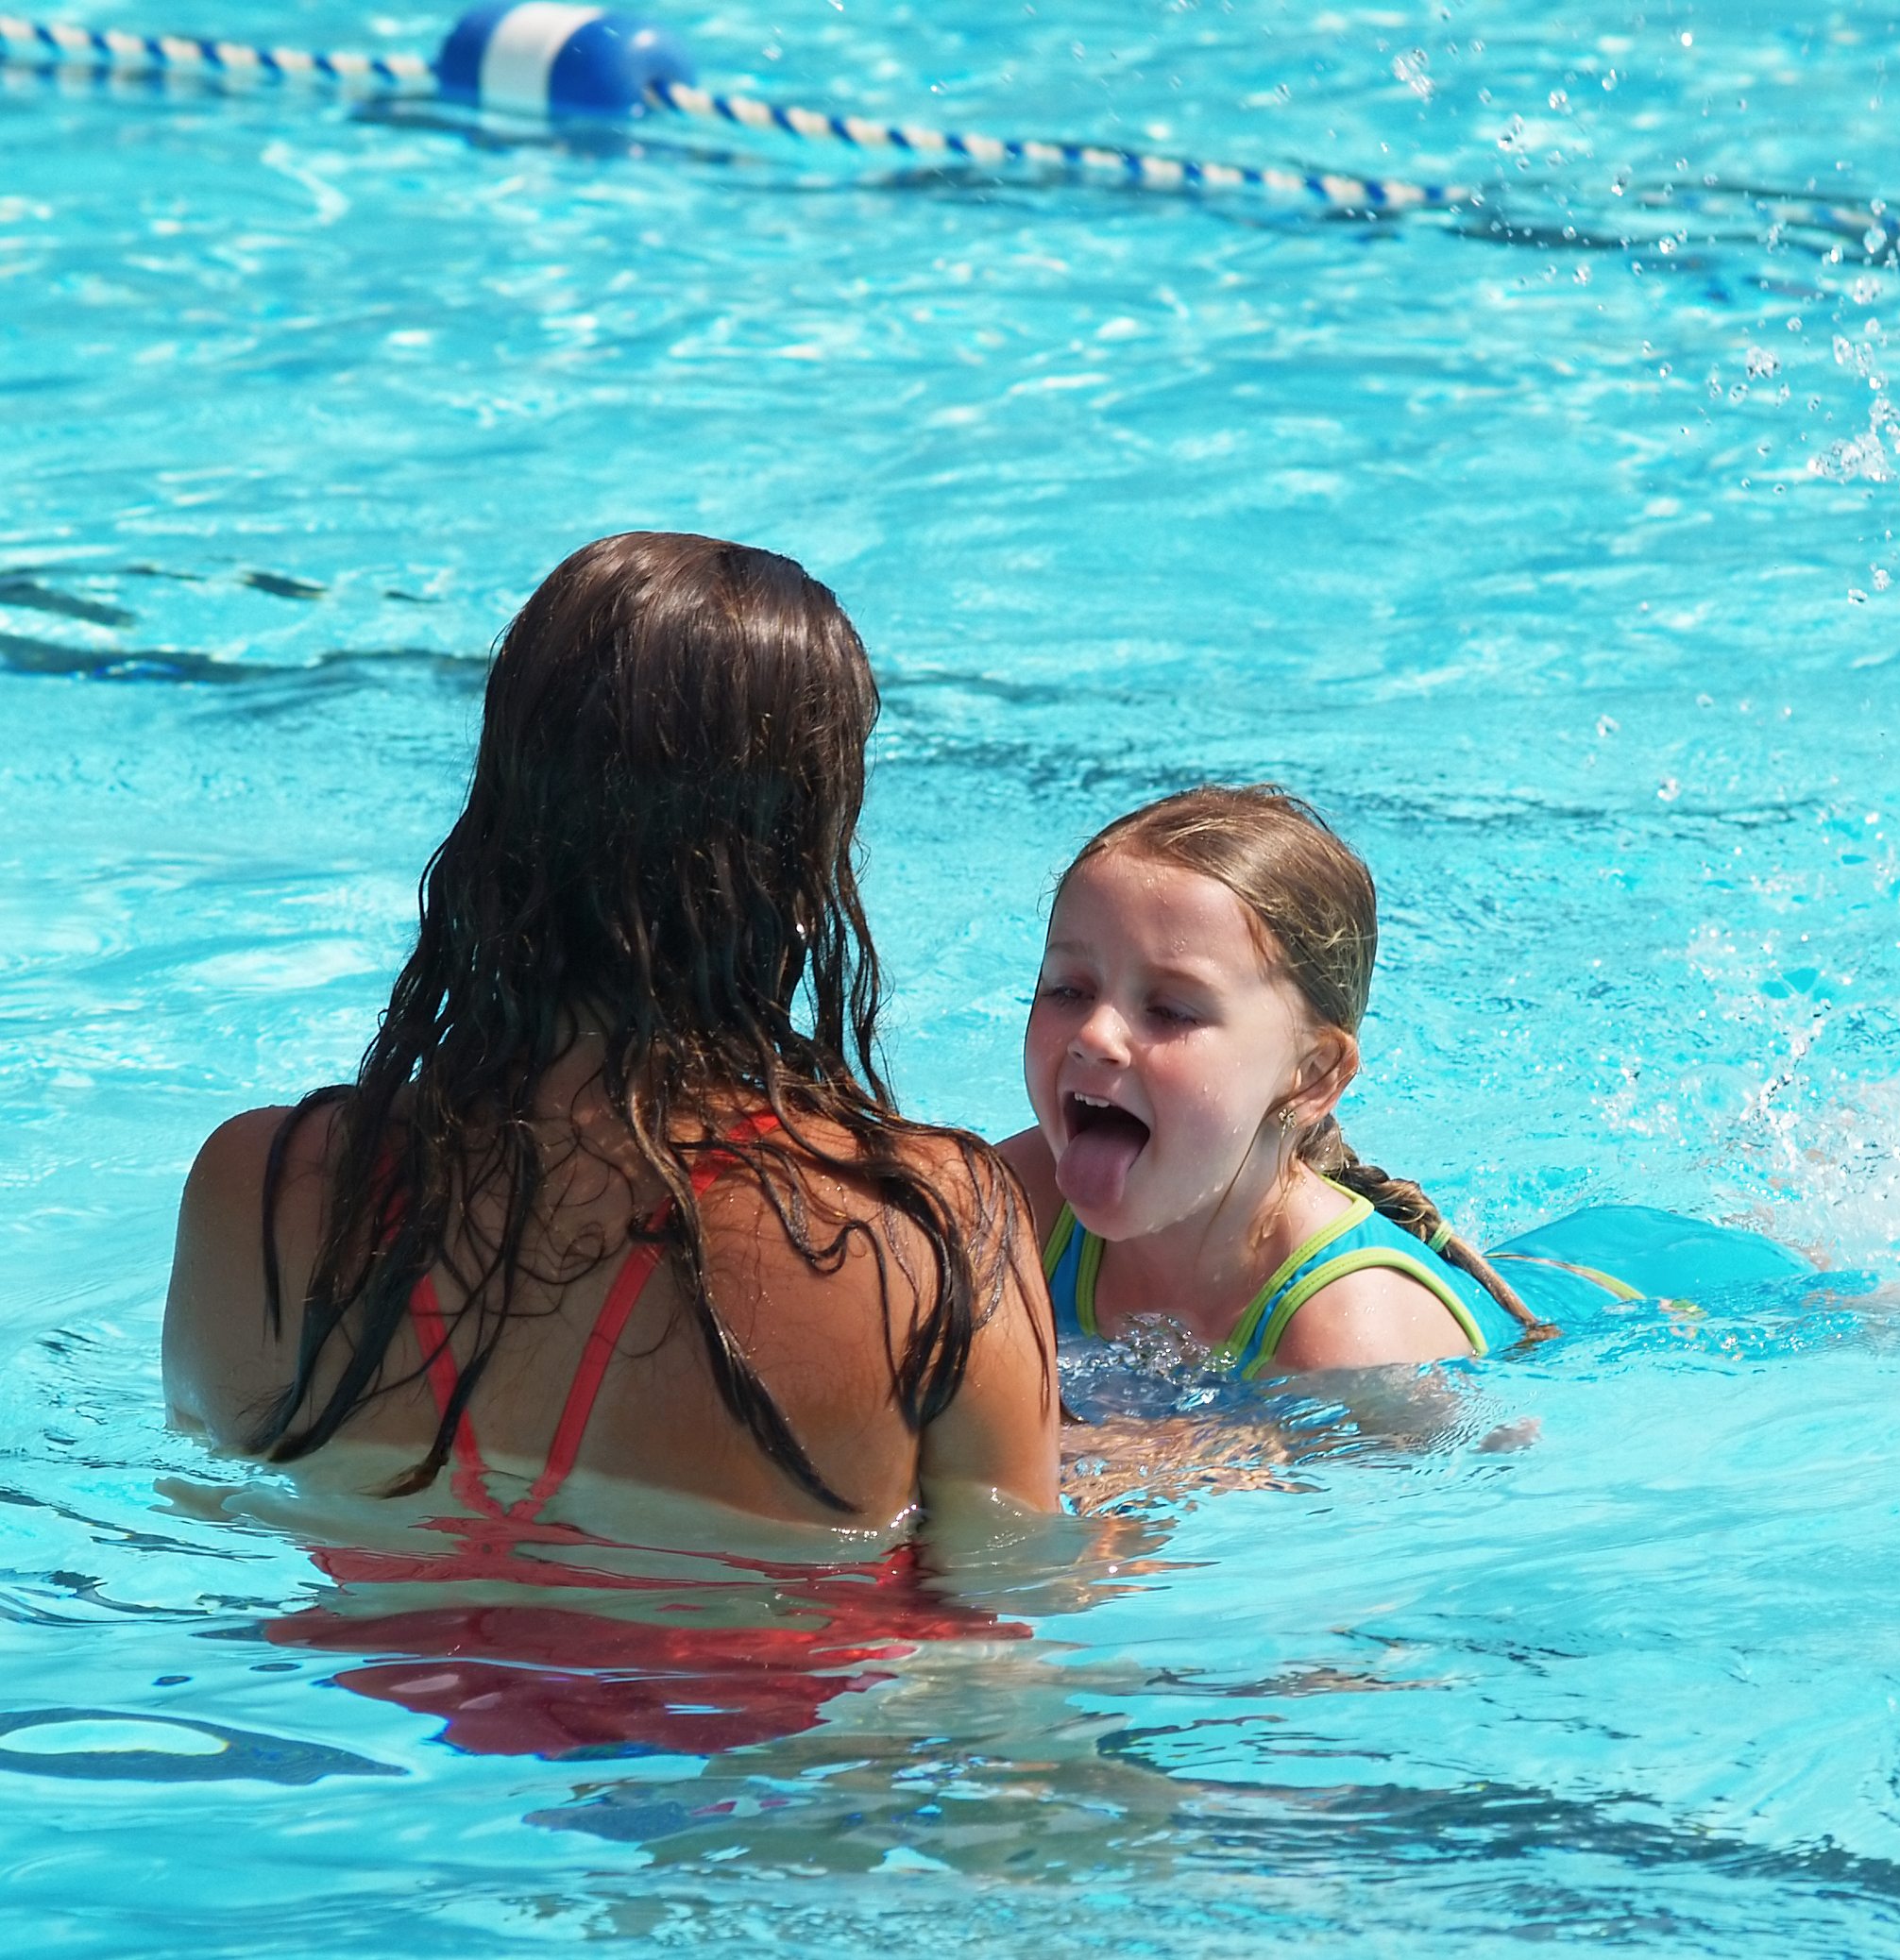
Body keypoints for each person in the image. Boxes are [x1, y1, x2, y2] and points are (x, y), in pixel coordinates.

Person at [162, 532, 1060, 1553]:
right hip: (763, 1714)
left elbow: (204, 1523)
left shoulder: (257, 1193)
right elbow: (1007, 1635)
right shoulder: (927, 1236)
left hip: (364, 1698)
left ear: (496, 828)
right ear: (802, 873)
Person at [999, 785, 1540, 1378]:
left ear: (1311, 1077)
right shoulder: (1019, 1203)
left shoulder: (1353, 1334)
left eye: (1171, 1011)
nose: (1094, 1035)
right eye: (1068, 990)